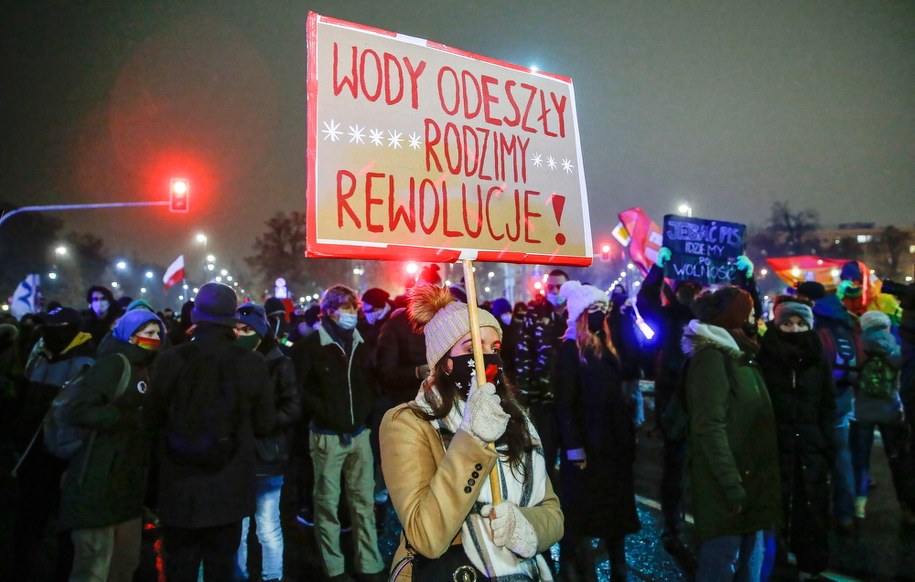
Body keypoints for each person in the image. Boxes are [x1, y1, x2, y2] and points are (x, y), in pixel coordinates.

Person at [380, 283, 563, 579]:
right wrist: (473, 438)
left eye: (494, 348)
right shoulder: (407, 423)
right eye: (473, 348)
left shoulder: (514, 417)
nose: (487, 358)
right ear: (446, 362)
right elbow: (426, 536)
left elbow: (553, 514)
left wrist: (523, 526)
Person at [145, 283, 276, 580]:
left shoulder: (169, 360)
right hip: (228, 489)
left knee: (180, 567)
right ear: (232, 317)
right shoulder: (251, 363)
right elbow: (266, 423)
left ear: (195, 315)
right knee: (222, 567)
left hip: (178, 490)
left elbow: (150, 420)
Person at [59, 309, 165, 581]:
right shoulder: (114, 364)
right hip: (97, 481)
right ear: (130, 335)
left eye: (158, 334)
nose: (155, 339)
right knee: (94, 567)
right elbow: (79, 411)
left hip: (127, 488)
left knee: (124, 563)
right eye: (148, 333)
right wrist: (128, 417)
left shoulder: (148, 367)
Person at [683, 286, 782, 581]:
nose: (756, 318)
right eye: (750, 313)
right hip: (729, 488)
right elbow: (709, 427)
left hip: (751, 481)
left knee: (751, 565)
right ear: (734, 318)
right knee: (721, 564)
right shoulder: (712, 359)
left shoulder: (742, 355)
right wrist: (730, 483)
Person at [294, 284, 384, 581]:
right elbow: (301, 390)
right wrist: (325, 411)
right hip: (326, 437)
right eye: (348, 308)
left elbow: (371, 384)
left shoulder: (362, 343)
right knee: (327, 505)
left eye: (355, 308)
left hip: (359, 435)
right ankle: (334, 568)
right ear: (330, 312)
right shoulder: (310, 348)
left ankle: (369, 565)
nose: (354, 314)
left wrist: (364, 414)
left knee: (364, 504)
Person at [554, 281, 640, 581]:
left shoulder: (607, 344)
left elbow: (632, 365)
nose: (600, 315)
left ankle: (619, 572)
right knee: (580, 518)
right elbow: (565, 403)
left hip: (612, 445)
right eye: (594, 309)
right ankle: (573, 573)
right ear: (580, 313)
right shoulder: (569, 350)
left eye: (603, 309)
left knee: (614, 518)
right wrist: (574, 446)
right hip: (588, 446)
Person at [12, 306, 96, 581]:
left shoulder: (86, 363)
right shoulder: (41, 355)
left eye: (53, 328)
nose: (46, 333)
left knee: (63, 530)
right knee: (28, 523)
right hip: (33, 454)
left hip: (66, 460)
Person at [757, 297, 833, 580]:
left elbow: (827, 405)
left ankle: (808, 566)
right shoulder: (766, 358)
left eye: (801, 323)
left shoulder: (817, 361)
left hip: (810, 445)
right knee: (774, 509)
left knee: (810, 506)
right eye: (788, 323)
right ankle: (771, 567)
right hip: (775, 443)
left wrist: (826, 443)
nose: (794, 328)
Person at [234, 302, 301, 582]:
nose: (240, 334)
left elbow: (293, 408)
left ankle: (272, 576)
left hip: (267, 457)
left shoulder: (279, 363)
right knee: (238, 527)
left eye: (246, 329)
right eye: (236, 329)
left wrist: (264, 422)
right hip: (237, 457)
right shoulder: (230, 361)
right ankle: (239, 575)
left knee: (268, 527)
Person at [797, 281, 862, 532]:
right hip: (843, 396)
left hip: (818, 400)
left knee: (812, 459)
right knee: (841, 457)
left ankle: (813, 517)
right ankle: (845, 514)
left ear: (806, 298)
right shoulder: (844, 316)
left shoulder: (813, 319)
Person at [850, 309, 915, 525]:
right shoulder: (896, 346)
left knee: (860, 460)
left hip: (862, 410)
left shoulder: (859, 345)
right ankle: (906, 505)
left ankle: (859, 505)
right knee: (897, 459)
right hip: (890, 411)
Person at [514, 268, 570, 488]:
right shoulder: (534, 313)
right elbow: (523, 354)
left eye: (560, 287)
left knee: (573, 457)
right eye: (551, 287)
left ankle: (572, 508)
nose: (555, 291)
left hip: (571, 398)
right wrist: (524, 398)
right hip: (542, 398)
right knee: (544, 454)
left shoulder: (576, 314)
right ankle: (546, 503)